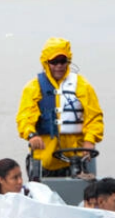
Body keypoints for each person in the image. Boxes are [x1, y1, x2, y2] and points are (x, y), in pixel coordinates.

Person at [16, 37, 103, 176]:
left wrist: (90, 140)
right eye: (54, 62)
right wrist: (31, 135)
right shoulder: (33, 88)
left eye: (63, 61)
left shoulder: (83, 86)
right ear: (46, 62)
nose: (59, 66)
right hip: (45, 160)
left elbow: (94, 117)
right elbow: (24, 117)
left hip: (77, 159)